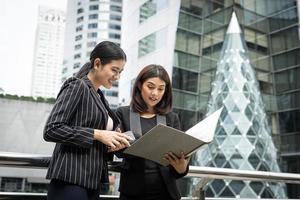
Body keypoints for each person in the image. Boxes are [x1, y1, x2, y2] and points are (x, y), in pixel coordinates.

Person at [43, 41, 130, 200]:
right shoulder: (76, 85)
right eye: (114, 70)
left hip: (91, 181)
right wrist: (98, 134)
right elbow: (52, 129)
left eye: (120, 72)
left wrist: (111, 142)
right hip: (70, 179)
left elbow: (93, 136)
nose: (117, 77)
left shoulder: (100, 97)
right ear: (97, 64)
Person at [115, 64, 189, 200]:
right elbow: (118, 151)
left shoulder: (171, 118)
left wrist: (182, 167)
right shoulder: (123, 113)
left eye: (161, 89)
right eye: (150, 87)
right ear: (139, 86)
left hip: (165, 193)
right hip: (132, 192)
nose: (155, 93)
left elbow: (178, 164)